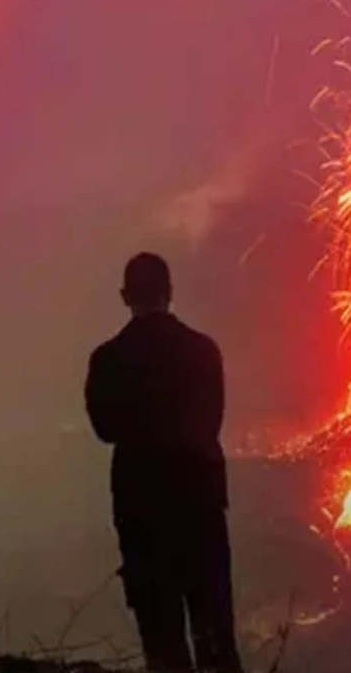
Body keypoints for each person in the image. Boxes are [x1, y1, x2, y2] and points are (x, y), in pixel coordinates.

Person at [84, 253, 243, 673]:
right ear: (170, 293)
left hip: (141, 510)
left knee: (161, 637)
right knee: (213, 631)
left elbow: (104, 428)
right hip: (200, 504)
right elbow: (212, 420)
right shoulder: (203, 351)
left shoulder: (108, 359)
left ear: (124, 296)